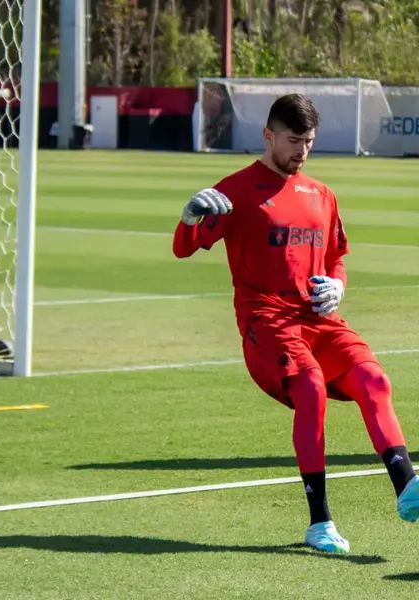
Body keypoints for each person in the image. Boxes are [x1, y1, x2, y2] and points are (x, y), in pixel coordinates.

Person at [173, 93, 419, 554]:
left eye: (309, 141)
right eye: (293, 140)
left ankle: (407, 485)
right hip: (266, 320)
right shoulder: (235, 190)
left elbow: (337, 259)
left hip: (318, 320)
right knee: (309, 388)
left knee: (375, 379)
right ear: (268, 136)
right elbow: (184, 248)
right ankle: (320, 522)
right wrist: (189, 218)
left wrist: (338, 287)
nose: (302, 151)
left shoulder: (321, 194)